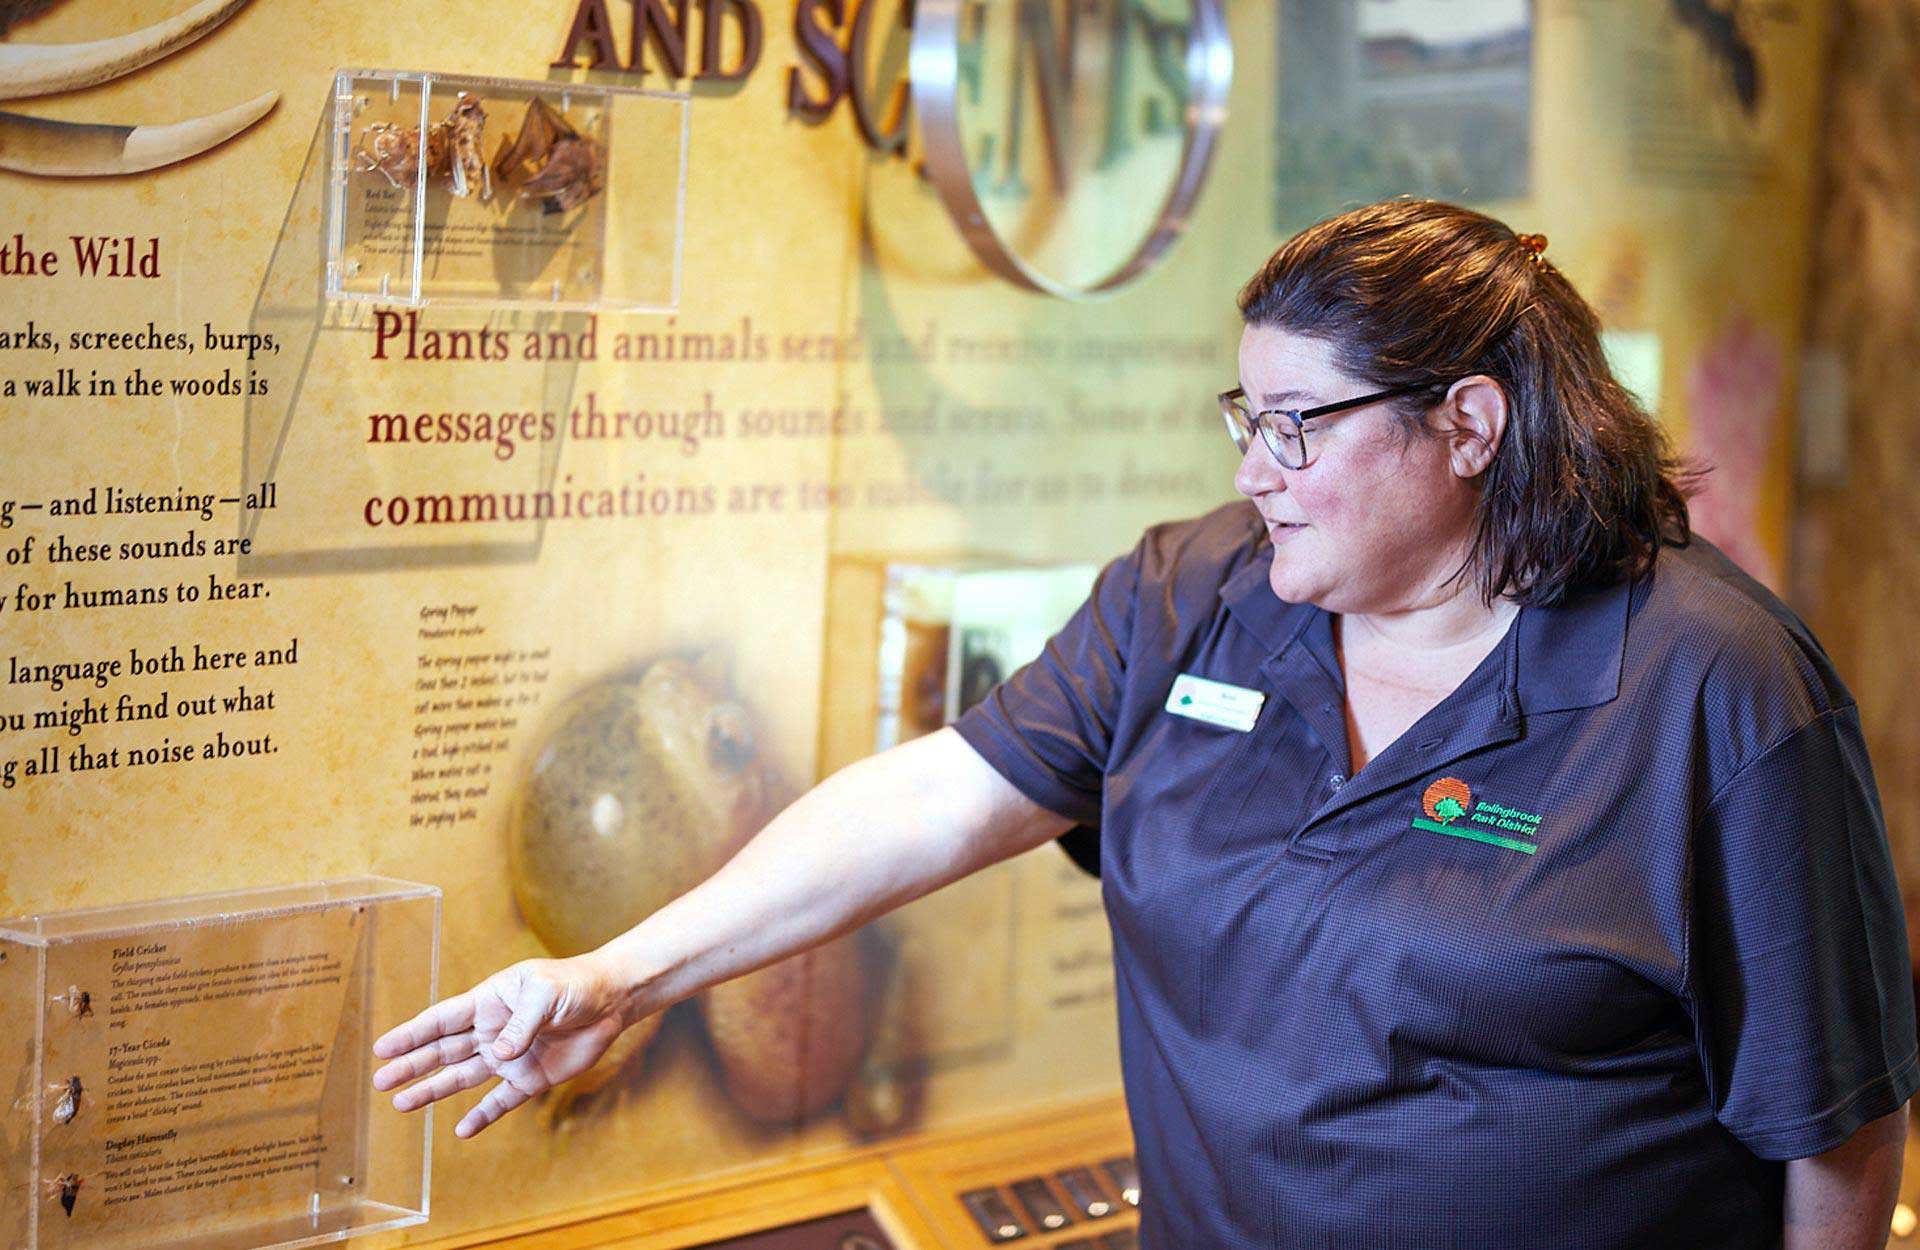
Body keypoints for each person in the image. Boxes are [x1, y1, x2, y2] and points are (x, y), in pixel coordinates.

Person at [371, 199, 1916, 1249]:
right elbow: (942, 794)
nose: (1255, 466)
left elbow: (1836, 1134)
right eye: (1244, 419)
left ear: (1468, 424)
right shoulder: (1200, 593)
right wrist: (619, 974)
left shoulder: (1717, 686)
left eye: (1298, 426)